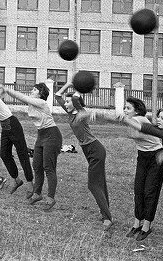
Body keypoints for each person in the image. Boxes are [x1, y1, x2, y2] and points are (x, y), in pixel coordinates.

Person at [54, 82, 112, 230]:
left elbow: (74, 99)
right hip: (88, 150)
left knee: (93, 184)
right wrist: (68, 83)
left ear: (75, 104)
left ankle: (107, 218)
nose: (66, 104)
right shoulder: (70, 113)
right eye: (66, 102)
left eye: (68, 102)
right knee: (100, 182)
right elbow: (57, 96)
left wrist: (79, 86)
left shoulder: (81, 112)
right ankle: (105, 211)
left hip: (95, 149)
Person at [0, 82, 62, 211]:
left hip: (52, 135)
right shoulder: (32, 103)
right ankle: (37, 194)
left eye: (34, 90)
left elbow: (23, 98)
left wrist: (7, 90)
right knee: (37, 165)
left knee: (48, 167)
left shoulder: (42, 103)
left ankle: (50, 198)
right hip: (41, 135)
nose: (31, 91)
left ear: (40, 93)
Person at [121, 109, 163, 257]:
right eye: (158, 116)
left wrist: (127, 118)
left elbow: (148, 129)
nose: (158, 119)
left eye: (162, 118)